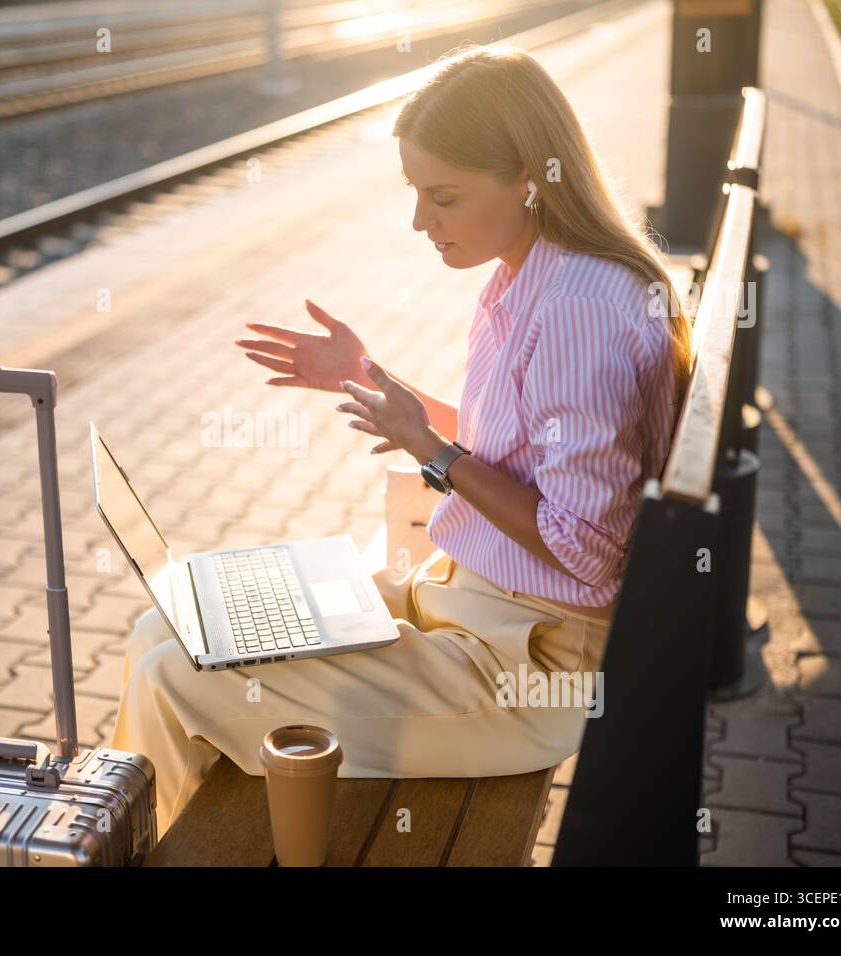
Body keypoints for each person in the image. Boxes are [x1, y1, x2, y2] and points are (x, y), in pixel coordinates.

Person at [108, 42, 692, 839]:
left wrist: (434, 455)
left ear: (529, 177)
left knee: (176, 676)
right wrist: (378, 381)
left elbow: (588, 546)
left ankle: (138, 848)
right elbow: (520, 449)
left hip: (523, 670)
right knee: (172, 625)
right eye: (417, 193)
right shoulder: (533, 272)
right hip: (469, 602)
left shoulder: (576, 311)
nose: (421, 221)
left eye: (443, 196)